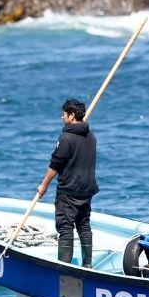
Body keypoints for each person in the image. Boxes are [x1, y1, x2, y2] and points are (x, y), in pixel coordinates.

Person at [36, 98, 98, 267]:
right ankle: (87, 264)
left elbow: (55, 164)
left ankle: (64, 267)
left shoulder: (66, 138)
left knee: (65, 227)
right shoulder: (91, 136)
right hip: (86, 190)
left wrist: (44, 185)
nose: (62, 118)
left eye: (64, 114)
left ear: (72, 115)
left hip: (69, 191)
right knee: (84, 226)